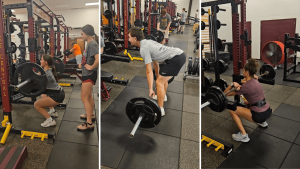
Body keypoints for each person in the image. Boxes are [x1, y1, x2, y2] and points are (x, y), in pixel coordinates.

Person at [128, 27, 186, 116]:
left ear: (135, 38)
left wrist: (151, 89)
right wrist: (158, 75)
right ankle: (163, 97)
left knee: (159, 82)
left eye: (129, 37)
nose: (128, 40)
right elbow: (155, 63)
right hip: (178, 55)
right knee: (162, 80)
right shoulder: (147, 41)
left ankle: (160, 110)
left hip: (176, 58)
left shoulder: (143, 49)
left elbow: (149, 71)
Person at [224, 59, 271, 142]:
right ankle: (263, 122)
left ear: (247, 72)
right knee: (246, 102)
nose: (243, 71)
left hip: (259, 115)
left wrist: (232, 84)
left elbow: (225, 94)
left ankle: (244, 136)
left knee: (232, 110)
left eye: (244, 70)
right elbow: (244, 81)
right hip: (267, 111)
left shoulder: (245, 87)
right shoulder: (255, 80)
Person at [78, 24, 99, 131]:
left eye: (82, 34)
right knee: (89, 97)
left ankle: (89, 123)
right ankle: (90, 115)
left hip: (89, 74)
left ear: (87, 34)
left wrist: (91, 67)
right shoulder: (90, 43)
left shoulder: (92, 44)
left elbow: (98, 59)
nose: (81, 36)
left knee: (84, 98)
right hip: (87, 73)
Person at [34, 55, 65, 127]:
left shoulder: (47, 75)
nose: (40, 61)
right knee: (43, 95)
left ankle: (50, 120)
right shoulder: (48, 70)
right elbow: (40, 74)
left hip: (57, 96)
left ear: (46, 62)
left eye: (42, 60)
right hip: (59, 92)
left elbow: (38, 81)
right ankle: (52, 111)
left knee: (37, 105)